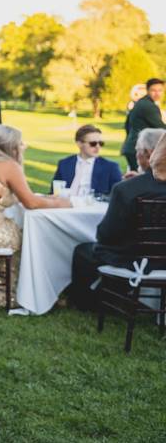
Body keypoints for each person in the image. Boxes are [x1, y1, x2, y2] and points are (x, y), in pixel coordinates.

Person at [0, 125, 71, 307]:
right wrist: (60, 203)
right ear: (12, 146)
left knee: (13, 230)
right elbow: (31, 203)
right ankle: (30, 293)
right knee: (34, 240)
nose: (23, 146)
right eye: (21, 143)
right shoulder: (9, 166)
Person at [70, 132, 166, 310]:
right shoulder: (131, 186)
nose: (135, 154)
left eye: (137, 150)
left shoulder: (126, 189)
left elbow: (106, 234)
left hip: (133, 259)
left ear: (149, 153)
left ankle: (85, 303)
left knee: (83, 250)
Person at [51, 124, 122, 197]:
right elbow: (54, 191)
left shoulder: (110, 167)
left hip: (94, 206)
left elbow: (118, 196)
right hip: (66, 205)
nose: (98, 147)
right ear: (79, 144)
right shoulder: (64, 164)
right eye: (93, 143)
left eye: (100, 143)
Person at [122, 78, 165, 171]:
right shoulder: (148, 106)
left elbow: (127, 125)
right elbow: (161, 128)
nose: (157, 93)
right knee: (142, 179)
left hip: (132, 147)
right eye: (153, 90)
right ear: (148, 90)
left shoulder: (140, 103)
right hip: (139, 149)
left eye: (160, 90)